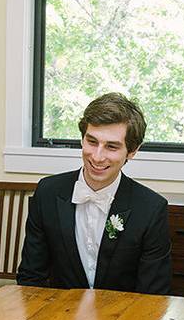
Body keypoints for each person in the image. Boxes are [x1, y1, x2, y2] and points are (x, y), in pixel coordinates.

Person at [17, 92, 171, 294]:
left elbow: (153, 296)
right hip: (58, 317)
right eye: (92, 142)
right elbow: (30, 278)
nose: (97, 157)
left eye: (111, 147)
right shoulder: (47, 192)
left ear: (132, 151)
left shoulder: (151, 208)